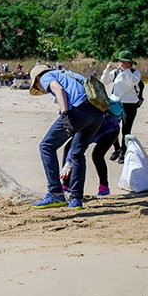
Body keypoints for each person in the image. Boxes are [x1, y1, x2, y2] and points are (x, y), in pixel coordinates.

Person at [29, 65, 104, 210]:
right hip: (97, 115)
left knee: (46, 146)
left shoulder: (45, 76)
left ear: (37, 78)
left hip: (79, 111)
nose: (40, 89)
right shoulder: (69, 74)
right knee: (77, 154)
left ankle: (55, 193)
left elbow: (59, 90)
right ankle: (76, 199)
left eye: (37, 87)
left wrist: (65, 115)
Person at [59, 110, 120, 196]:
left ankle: (104, 186)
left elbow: (77, 147)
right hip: (92, 126)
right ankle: (66, 184)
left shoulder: (86, 119)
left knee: (97, 155)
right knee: (67, 147)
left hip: (110, 130)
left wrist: (68, 162)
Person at [100, 51, 142, 164]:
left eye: (124, 61)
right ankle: (117, 149)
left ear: (129, 63)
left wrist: (126, 71)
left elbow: (133, 82)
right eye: (120, 61)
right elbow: (104, 81)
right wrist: (107, 70)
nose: (121, 63)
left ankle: (123, 152)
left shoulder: (135, 73)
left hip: (129, 104)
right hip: (115, 103)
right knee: (112, 127)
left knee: (126, 130)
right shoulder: (115, 72)